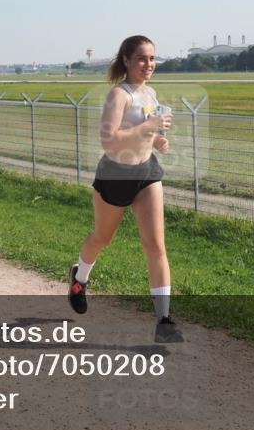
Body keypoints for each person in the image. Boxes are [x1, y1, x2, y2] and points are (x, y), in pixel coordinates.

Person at [68, 35, 183, 343]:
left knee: (156, 246)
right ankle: (79, 278)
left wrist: (156, 140)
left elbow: (145, 132)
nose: (149, 64)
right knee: (102, 238)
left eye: (153, 58)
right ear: (127, 61)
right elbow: (110, 140)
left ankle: (164, 320)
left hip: (146, 172)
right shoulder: (118, 95)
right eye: (143, 59)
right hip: (114, 175)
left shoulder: (151, 93)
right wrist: (148, 128)